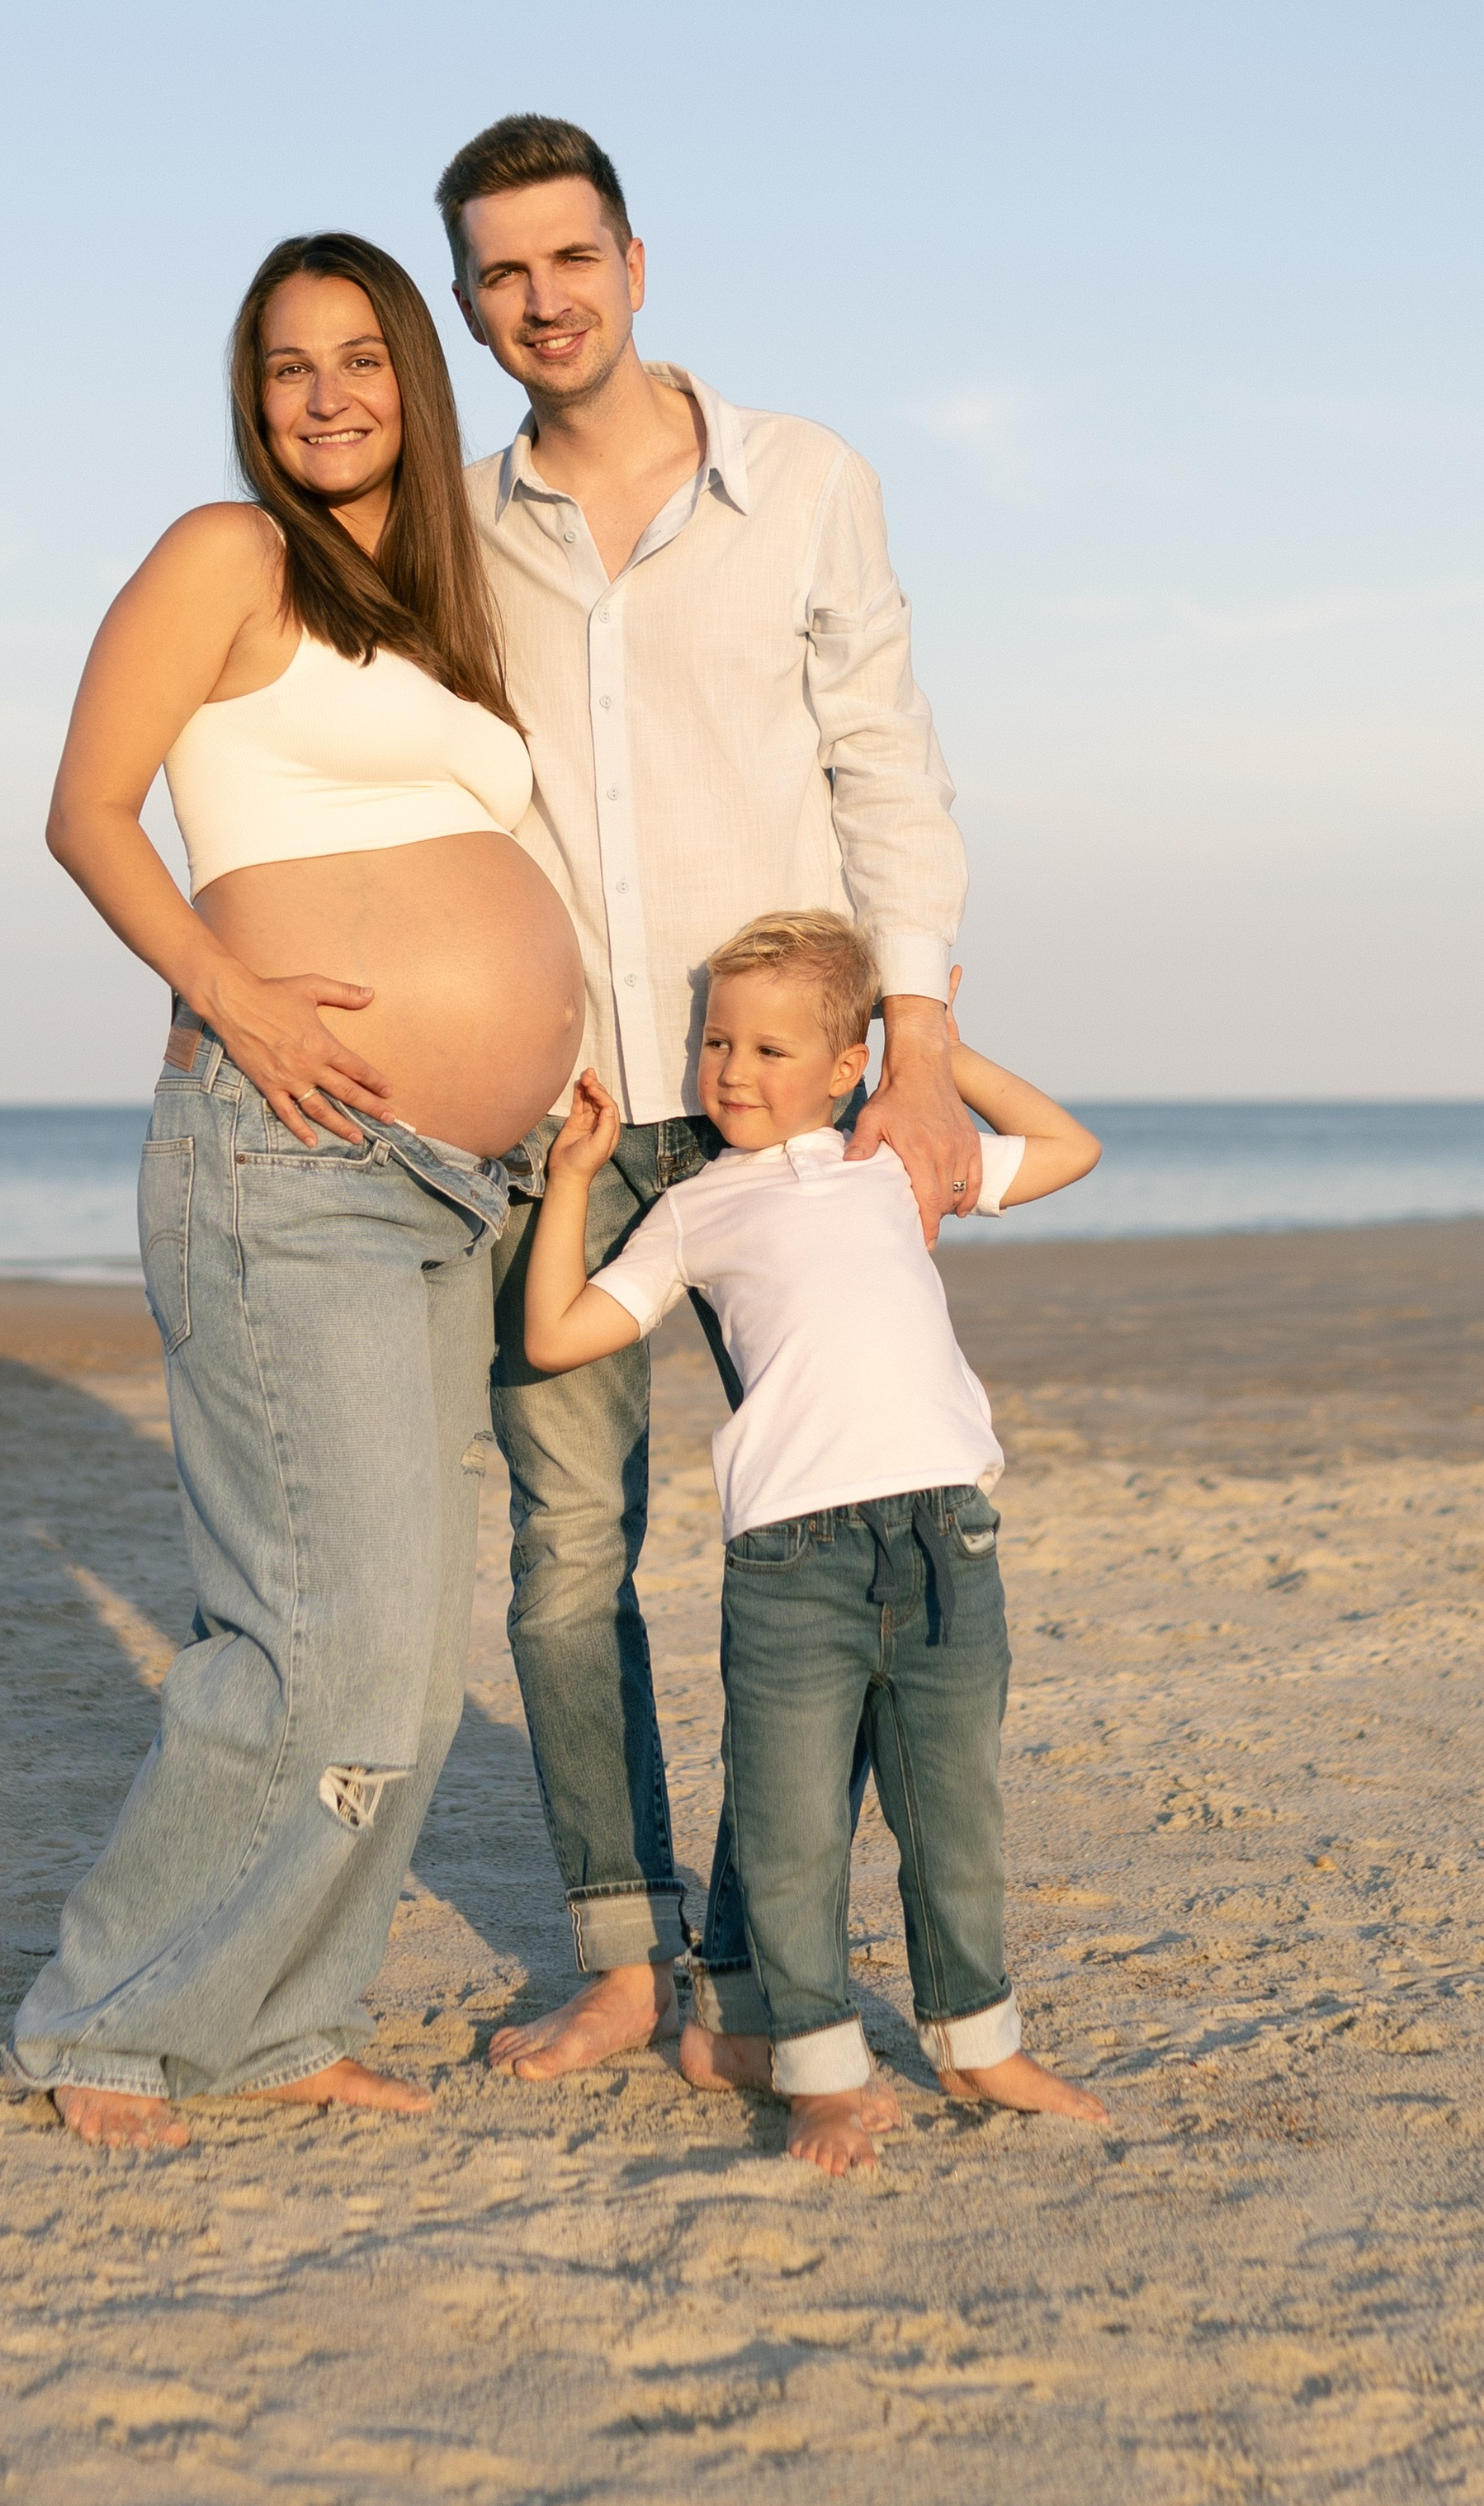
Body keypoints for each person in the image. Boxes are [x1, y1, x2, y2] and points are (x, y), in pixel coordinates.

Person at [7, 232, 583, 2148]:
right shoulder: (224, 554)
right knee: (312, 1632)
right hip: (287, 1155)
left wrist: (548, 1058)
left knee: (409, 1648)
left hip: (450, 1181)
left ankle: (275, 2018)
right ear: (249, 400)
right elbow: (87, 808)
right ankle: (108, 2014)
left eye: (358, 359)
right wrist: (231, 990)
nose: (323, 395)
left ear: (414, 382)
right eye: (283, 367)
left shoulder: (430, 610)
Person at [436, 112, 981, 2077]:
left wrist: (910, 1043)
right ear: (469, 299)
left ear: (635, 262)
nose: (539, 299)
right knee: (568, 1550)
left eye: (566, 257)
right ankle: (617, 1948)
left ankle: (763, 1967)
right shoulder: (453, 518)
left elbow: (882, 761)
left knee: (827, 1523)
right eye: (498, 272)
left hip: (783, 1110)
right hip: (565, 1117)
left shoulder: (805, 479)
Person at [522, 911, 1110, 2173]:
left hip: (949, 1540)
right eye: (717, 1042)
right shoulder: (691, 1211)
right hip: (792, 1565)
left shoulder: (895, 1154)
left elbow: (1071, 1146)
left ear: (848, 1066)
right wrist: (574, 1179)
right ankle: (818, 2069)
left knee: (955, 1817)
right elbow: (562, 1335)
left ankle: (977, 2039)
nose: (732, 1071)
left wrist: (928, 1047)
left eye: (772, 1048)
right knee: (791, 1835)